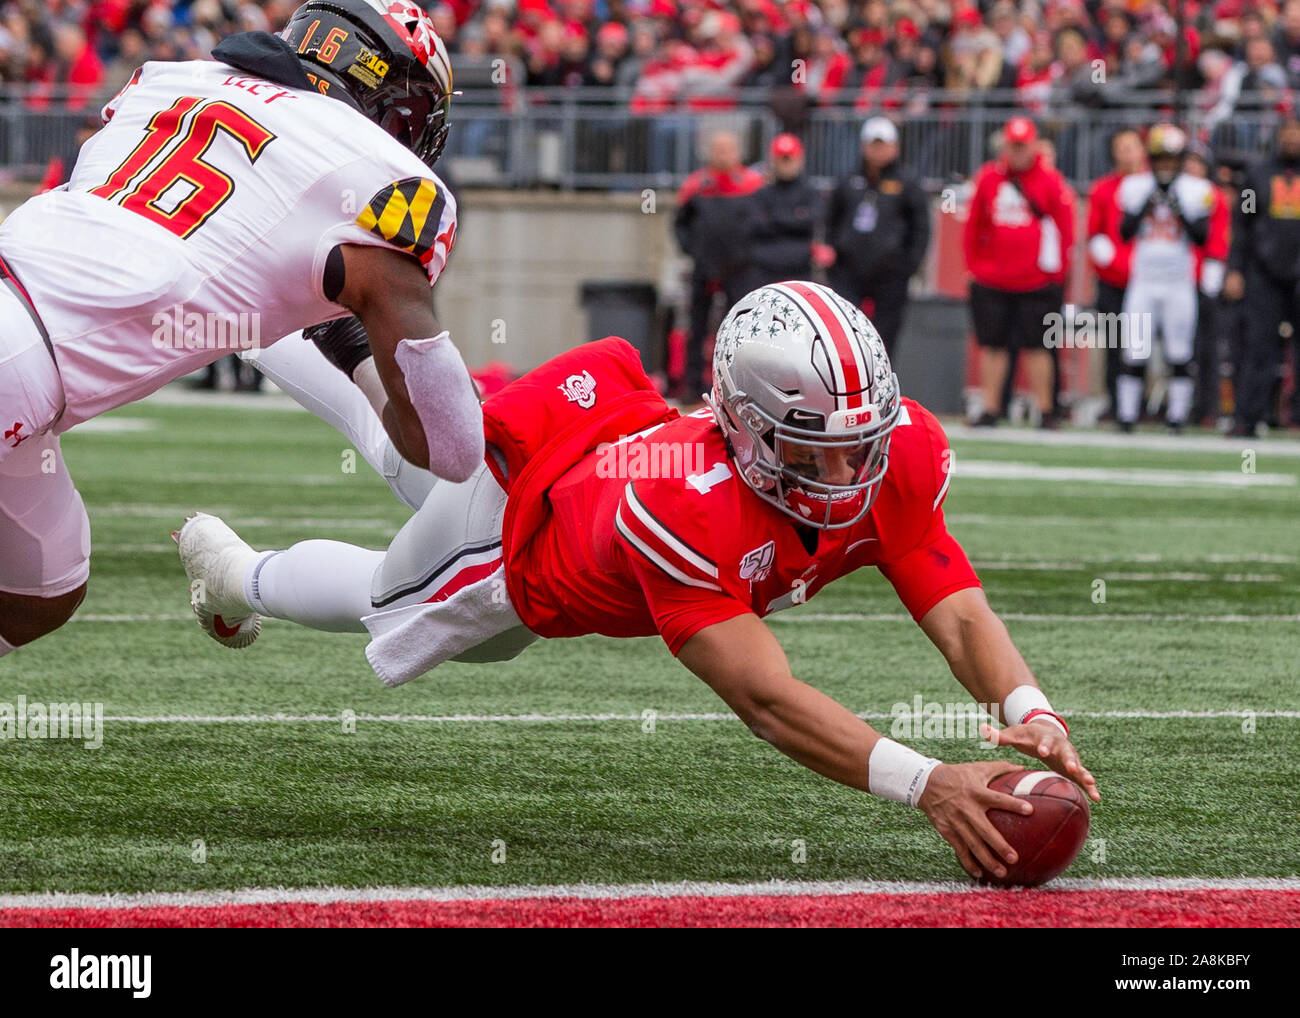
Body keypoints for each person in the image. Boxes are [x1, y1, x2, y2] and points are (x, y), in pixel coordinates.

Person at [178, 280, 1100, 883]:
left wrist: (1035, 707)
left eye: (860, 445)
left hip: (588, 461)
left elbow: (956, 604)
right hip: (519, 529)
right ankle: (235, 574)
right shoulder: (688, 507)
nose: (848, 476)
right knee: (391, 597)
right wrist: (926, 780)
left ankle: (291, 322)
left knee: (405, 449)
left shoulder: (895, 457)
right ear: (744, 428)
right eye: (816, 453)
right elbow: (767, 698)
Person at [0, 0, 482, 657]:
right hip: (21, 363)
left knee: (44, 581)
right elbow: (449, 449)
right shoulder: (370, 174)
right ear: (384, 92)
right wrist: (355, 344)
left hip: (25, 338)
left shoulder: (165, 81)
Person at [963, 115, 1075, 428]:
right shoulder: (988, 177)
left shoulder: (1051, 180)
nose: (1018, 153)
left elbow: (1066, 228)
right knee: (992, 345)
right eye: (1013, 146)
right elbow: (974, 225)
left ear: (1034, 146)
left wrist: (1059, 273)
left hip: (1037, 280)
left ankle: (1045, 409)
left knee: (1039, 346)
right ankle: (990, 407)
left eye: (1023, 146)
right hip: (993, 278)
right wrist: (974, 267)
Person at [1116, 124, 1216, 434]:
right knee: (1135, 350)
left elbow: (1202, 237)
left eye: (1170, 159)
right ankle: (1127, 416)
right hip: (1143, 279)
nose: (1165, 166)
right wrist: (1147, 203)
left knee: (1179, 352)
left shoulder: (1196, 190)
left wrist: (1180, 210)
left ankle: (1176, 417)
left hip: (1178, 281)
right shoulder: (1135, 186)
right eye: (1160, 158)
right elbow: (1124, 232)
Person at [822, 117, 930, 357]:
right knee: (845, 336)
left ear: (895, 147)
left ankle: (881, 391)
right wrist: (832, 253)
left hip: (891, 274)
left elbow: (920, 227)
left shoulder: (907, 183)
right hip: (848, 272)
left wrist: (908, 265)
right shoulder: (848, 180)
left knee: (884, 340)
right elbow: (831, 219)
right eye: (874, 144)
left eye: (883, 144)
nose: (878, 150)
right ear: (864, 146)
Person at [674, 129, 764, 402]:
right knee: (697, 326)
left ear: (738, 153)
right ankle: (693, 386)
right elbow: (680, 224)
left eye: (728, 149)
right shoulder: (696, 184)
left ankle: (739, 385)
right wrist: (693, 250)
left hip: (740, 268)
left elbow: (762, 224)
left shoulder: (752, 184)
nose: (723, 154)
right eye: (718, 149)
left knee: (739, 328)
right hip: (704, 268)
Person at [1225, 117, 1300, 436]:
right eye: (1287, 131)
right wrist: (1235, 269)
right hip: (1263, 273)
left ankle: (1295, 416)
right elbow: (1242, 225)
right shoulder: (1257, 174)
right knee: (1258, 347)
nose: (1291, 138)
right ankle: (1249, 416)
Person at [1085, 128, 1145, 418]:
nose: (1127, 153)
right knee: (1113, 343)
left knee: (1145, 344)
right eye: (1122, 148)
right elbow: (1095, 234)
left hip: (1148, 280)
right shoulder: (1104, 188)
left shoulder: (1154, 186)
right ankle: (1116, 401)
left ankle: (1142, 404)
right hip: (1114, 280)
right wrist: (1113, 263)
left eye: (1132, 147)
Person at [748, 133, 819, 287]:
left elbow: (811, 222)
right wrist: (795, 219)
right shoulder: (761, 193)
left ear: (800, 159)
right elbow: (758, 225)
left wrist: (774, 218)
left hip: (799, 269)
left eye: (789, 158)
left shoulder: (810, 192)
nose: (785, 164)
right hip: (764, 270)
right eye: (782, 159)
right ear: (773, 160)